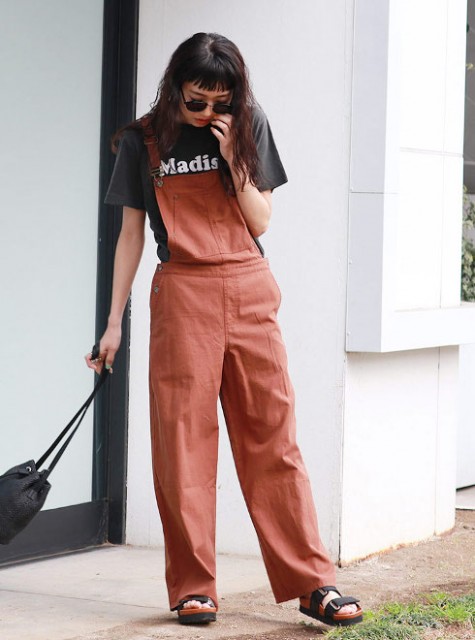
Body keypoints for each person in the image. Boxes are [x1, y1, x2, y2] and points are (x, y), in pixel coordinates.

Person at [86, 32, 363, 628]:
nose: (209, 111)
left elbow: (260, 219)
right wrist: (112, 324)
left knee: (273, 439)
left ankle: (312, 583)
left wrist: (235, 154)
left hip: (248, 284)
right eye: (197, 101)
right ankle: (194, 588)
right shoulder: (143, 141)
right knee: (183, 444)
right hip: (183, 292)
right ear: (174, 88)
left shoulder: (249, 124)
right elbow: (131, 235)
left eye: (221, 101)